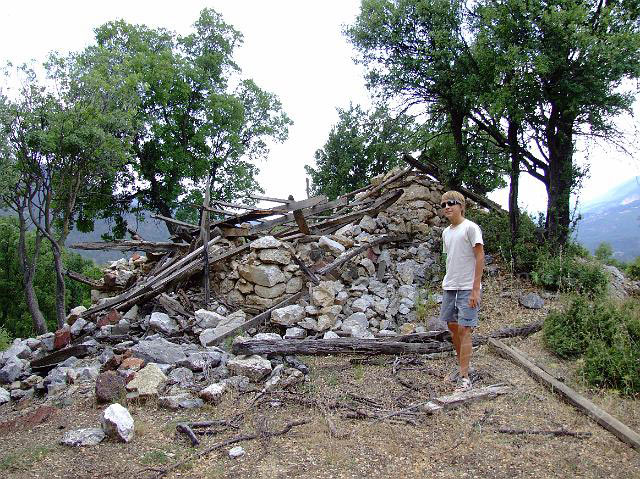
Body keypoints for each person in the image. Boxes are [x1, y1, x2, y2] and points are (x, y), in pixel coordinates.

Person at [438, 191, 484, 392]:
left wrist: (476, 289)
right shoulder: (446, 233)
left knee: (465, 329)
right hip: (450, 286)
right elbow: (451, 259)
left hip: (467, 287)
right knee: (453, 328)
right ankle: (462, 365)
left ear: (461, 205)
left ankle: (465, 377)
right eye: (443, 204)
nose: (447, 207)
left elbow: (480, 257)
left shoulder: (471, 228)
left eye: (451, 203)